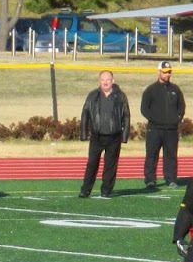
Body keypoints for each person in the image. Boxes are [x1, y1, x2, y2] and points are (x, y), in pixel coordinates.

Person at [79, 70, 129, 199]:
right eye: (103, 80)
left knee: (110, 165)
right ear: (99, 81)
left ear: (113, 81)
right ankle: (85, 189)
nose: (105, 82)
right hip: (97, 136)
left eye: (108, 80)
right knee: (92, 164)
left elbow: (126, 116)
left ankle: (106, 190)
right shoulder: (93, 96)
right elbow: (85, 113)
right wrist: (84, 133)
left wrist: (124, 136)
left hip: (114, 136)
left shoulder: (120, 96)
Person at [140, 60, 186, 190]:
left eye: (169, 72)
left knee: (171, 155)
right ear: (159, 72)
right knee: (152, 154)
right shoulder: (151, 90)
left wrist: (176, 118)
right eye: (165, 72)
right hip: (155, 129)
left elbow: (181, 106)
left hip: (171, 130)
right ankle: (150, 180)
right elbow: (144, 108)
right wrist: (155, 119)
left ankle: (170, 179)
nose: (167, 75)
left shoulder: (175, 89)